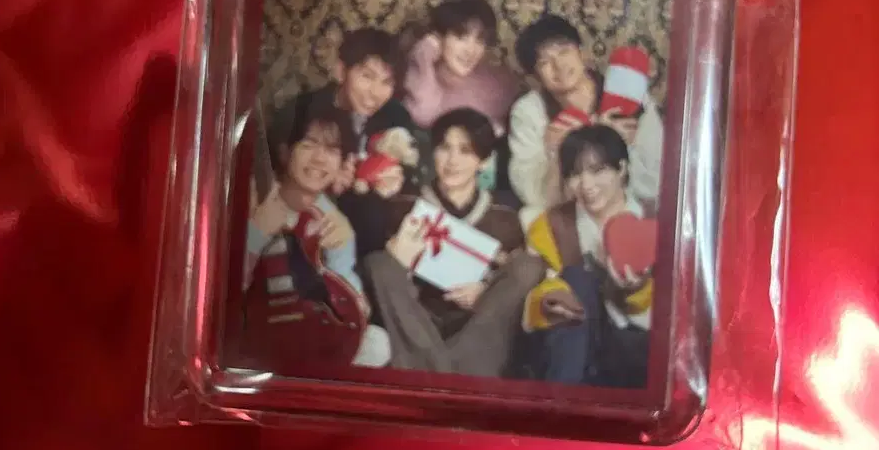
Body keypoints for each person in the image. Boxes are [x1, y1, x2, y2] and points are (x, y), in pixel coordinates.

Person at [361, 107, 543, 377]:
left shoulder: (504, 217)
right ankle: (450, 374)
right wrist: (399, 261)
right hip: (417, 324)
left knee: (530, 265)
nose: (452, 160)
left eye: (465, 151)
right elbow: (385, 283)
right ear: (433, 152)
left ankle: (438, 373)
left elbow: (511, 287)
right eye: (445, 148)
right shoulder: (403, 205)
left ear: (484, 161)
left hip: (478, 330)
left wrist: (487, 289)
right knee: (378, 263)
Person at [242, 100, 390, 369]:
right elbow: (222, 293)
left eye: (332, 150)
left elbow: (353, 309)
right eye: (308, 145)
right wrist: (257, 233)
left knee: (378, 342)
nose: (320, 159)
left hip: (311, 331)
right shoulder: (253, 198)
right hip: (257, 333)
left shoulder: (332, 219)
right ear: (285, 151)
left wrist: (340, 253)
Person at [521, 125, 652, 387]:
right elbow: (532, 293)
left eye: (597, 170)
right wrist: (552, 299)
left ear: (621, 168)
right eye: (575, 174)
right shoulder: (550, 226)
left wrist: (634, 290)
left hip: (636, 348)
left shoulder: (654, 221)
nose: (586, 185)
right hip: (569, 345)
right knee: (576, 279)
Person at [269, 27, 415, 258]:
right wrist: (325, 183)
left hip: (375, 235)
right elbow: (274, 173)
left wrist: (400, 182)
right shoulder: (304, 112)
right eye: (367, 76)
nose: (375, 92)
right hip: (311, 224)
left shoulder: (396, 117)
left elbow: (414, 168)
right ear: (341, 71)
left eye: (386, 82)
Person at [508, 16, 663, 225]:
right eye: (544, 62)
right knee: (530, 217)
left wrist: (619, 145)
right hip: (568, 216)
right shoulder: (528, 111)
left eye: (564, 52)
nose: (559, 66)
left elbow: (655, 182)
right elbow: (533, 196)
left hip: (626, 211)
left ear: (582, 53)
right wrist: (556, 154)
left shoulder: (628, 94)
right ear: (535, 76)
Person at [403, 0, 519, 134]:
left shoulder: (495, 86)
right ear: (438, 38)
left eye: (480, 40)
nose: (470, 50)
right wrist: (424, 57)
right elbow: (423, 115)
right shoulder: (422, 77)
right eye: (461, 37)